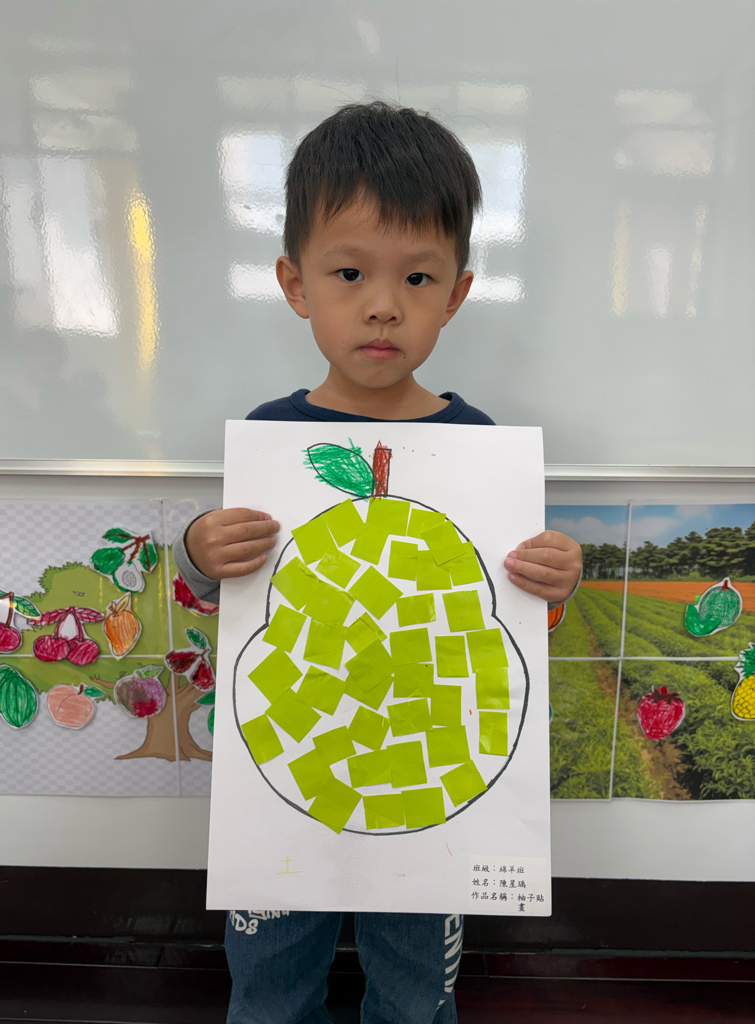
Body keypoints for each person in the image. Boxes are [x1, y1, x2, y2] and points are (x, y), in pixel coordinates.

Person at [174, 100, 582, 1024]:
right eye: (350, 272)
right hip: (291, 765)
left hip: (436, 783)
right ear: (295, 283)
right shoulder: (272, 438)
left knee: (414, 989)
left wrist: (555, 580)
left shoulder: (479, 448)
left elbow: (514, 612)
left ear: (457, 294)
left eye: (418, 277)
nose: (384, 304)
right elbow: (220, 589)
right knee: (269, 982)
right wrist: (201, 547)